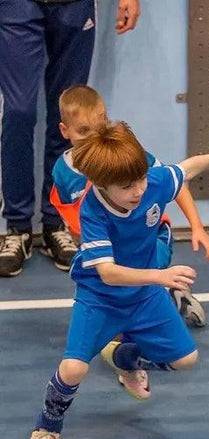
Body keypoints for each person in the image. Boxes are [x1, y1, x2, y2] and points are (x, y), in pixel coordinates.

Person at [25, 122, 209, 439]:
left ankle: (125, 359)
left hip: (143, 296)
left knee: (185, 360)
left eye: (141, 179)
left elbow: (185, 170)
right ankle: (46, 429)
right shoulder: (93, 211)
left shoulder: (148, 183)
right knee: (74, 368)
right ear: (100, 184)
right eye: (127, 186)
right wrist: (161, 276)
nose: (139, 190)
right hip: (100, 297)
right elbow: (108, 272)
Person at [51, 85, 209, 326]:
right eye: (83, 131)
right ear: (65, 131)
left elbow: (175, 183)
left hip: (152, 236)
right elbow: (75, 219)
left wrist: (197, 226)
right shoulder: (62, 173)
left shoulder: (129, 157)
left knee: (136, 279)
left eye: (98, 128)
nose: (93, 137)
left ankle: (164, 291)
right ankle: (160, 295)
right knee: (111, 285)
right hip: (114, 246)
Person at [0, 0, 140, 277]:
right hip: (16, 6)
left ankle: (57, 222)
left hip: (74, 5)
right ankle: (18, 228)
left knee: (71, 119)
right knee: (18, 113)